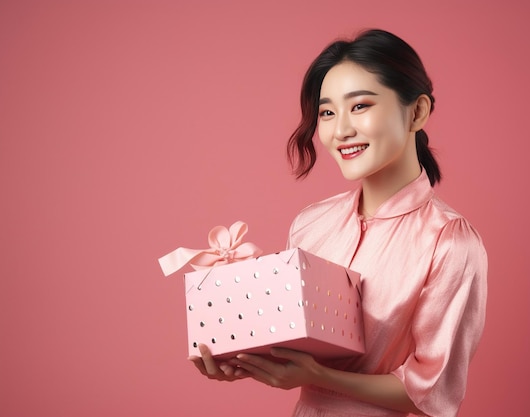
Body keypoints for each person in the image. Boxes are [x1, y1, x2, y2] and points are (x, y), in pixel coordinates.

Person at [189, 28, 488, 417]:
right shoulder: (311, 223)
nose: (340, 130)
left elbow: (431, 390)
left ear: (417, 112)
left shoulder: (450, 242)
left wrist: (319, 377)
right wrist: (243, 358)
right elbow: (296, 345)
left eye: (360, 106)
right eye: (327, 112)